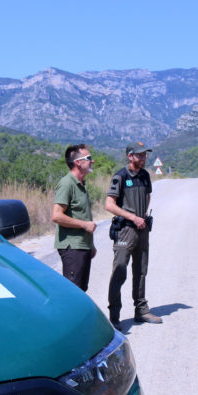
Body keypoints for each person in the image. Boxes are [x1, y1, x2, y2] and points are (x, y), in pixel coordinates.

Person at [105, 141, 161, 329]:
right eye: (140, 155)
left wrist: (143, 216)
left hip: (142, 229)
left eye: (145, 155)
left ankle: (141, 310)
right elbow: (109, 205)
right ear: (130, 156)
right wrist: (132, 217)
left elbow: (147, 196)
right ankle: (114, 316)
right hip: (125, 231)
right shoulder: (120, 177)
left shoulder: (145, 175)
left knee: (141, 271)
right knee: (120, 270)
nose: (144, 158)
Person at [52, 144, 96, 291]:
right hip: (72, 247)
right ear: (78, 162)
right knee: (73, 292)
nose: (92, 161)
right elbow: (57, 216)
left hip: (83, 246)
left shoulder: (81, 184)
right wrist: (84, 225)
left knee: (81, 290)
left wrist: (91, 245)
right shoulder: (66, 184)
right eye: (89, 158)